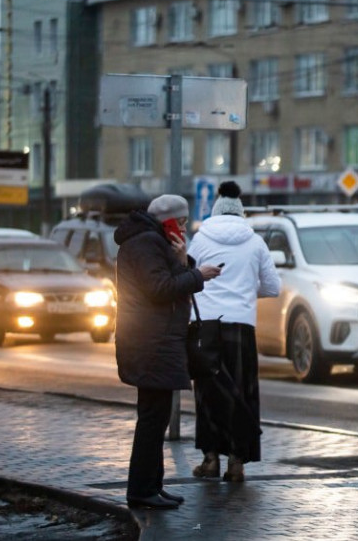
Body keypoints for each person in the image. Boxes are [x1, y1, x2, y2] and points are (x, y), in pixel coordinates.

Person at [114, 194, 222, 510]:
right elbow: (159, 289)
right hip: (151, 343)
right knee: (151, 419)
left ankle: (152, 486)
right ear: (169, 220)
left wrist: (182, 258)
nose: (186, 228)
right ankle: (141, 489)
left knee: (156, 417)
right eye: (183, 222)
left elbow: (168, 279)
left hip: (155, 341)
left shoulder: (152, 241)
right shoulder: (145, 242)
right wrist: (198, 274)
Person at [186, 181, 280, 483]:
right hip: (241, 326)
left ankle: (210, 460)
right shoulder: (255, 242)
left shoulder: (199, 241)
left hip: (206, 325)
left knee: (207, 392)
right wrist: (245, 291)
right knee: (242, 392)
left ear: (215, 210)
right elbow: (273, 287)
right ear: (241, 211)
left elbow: (187, 278)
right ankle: (237, 463)